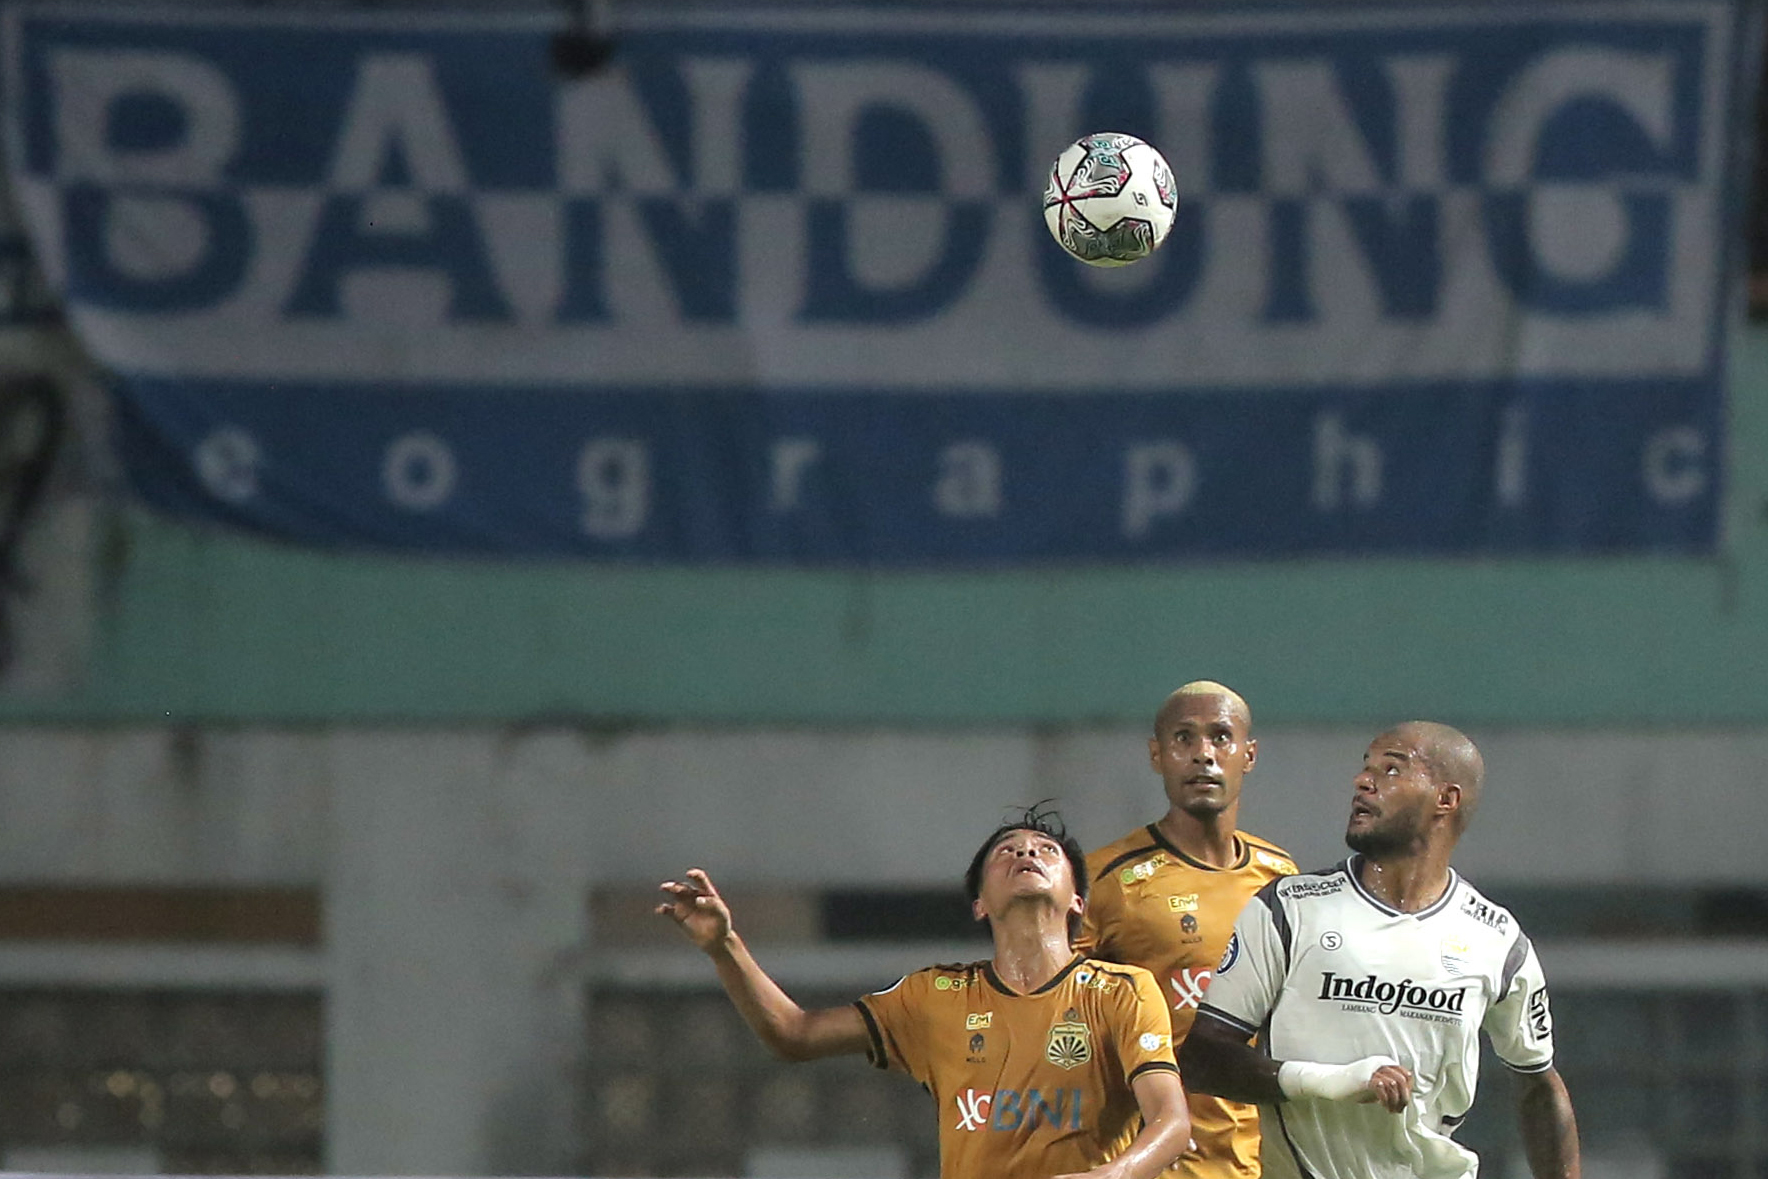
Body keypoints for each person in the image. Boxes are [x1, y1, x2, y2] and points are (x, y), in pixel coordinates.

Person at [657, 805, 1193, 1179]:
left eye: (1046, 850)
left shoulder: (1122, 992)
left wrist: (1109, 1177)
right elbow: (794, 1034)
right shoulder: (935, 996)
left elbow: (1171, 1122)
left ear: (1077, 899)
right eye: (1007, 851)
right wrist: (724, 946)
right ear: (980, 903)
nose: (1026, 853)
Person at [1179, 722, 1581, 1179]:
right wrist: (1331, 1083)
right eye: (1365, 767)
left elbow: (1538, 1085)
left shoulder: (1497, 938)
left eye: (1391, 769)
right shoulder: (1287, 909)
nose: (1363, 781)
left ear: (1445, 800)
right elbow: (1203, 1057)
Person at [1077, 681, 1297, 1179]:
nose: (1204, 755)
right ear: (1157, 755)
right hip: (1159, 1163)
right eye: (1184, 739)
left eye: (1221, 737)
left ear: (1250, 755)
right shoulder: (1106, 880)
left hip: (1266, 1159)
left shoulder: (1281, 875)